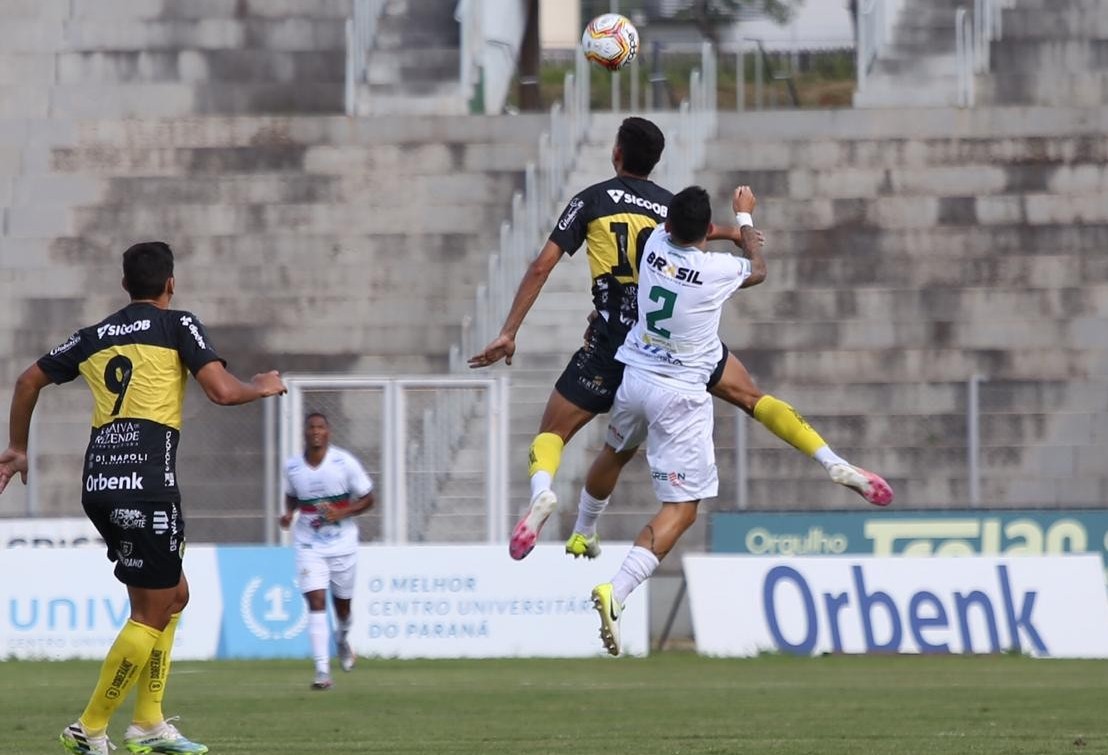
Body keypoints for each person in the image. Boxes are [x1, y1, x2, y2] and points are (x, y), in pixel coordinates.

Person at [468, 117, 891, 562]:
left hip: (613, 341)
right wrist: (738, 228)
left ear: (616, 153)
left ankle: (547, 498)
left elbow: (541, 266)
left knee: (560, 434)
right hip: (669, 345)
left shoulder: (589, 200)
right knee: (752, 398)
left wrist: (510, 331)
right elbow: (704, 240)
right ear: (657, 161)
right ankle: (830, 459)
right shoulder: (668, 209)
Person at [0, 241, 286, 755]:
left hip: (101, 483)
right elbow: (221, 391)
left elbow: (27, 380)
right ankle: (89, 728)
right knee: (152, 612)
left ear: (124, 284)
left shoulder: (94, 337)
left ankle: (149, 722)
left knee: (174, 595)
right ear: (170, 284)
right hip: (147, 482)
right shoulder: (177, 324)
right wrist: (262, 386)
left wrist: (18, 448)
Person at [590, 185, 765, 655]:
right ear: (707, 230)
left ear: (667, 225)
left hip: (635, 377)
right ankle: (618, 590)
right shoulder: (716, 271)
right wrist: (743, 220)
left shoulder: (651, 246)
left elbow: (676, 230)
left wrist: (716, 227)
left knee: (614, 452)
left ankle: (583, 529)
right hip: (680, 394)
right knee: (683, 508)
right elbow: (758, 269)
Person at [280, 412, 375, 690]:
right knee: (316, 601)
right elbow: (291, 495)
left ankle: (343, 639)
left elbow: (369, 498)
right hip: (309, 544)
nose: (316, 432)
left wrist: (341, 512)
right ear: (305, 433)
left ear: (328, 432)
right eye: (311, 427)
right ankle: (322, 671)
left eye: (321, 427)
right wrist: (288, 514)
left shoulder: (343, 463)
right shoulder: (293, 467)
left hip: (342, 545)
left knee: (343, 607)